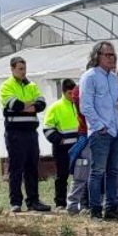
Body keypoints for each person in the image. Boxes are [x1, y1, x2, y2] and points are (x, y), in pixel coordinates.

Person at [78, 42, 118, 220]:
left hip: (116, 132)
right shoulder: (89, 77)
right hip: (101, 132)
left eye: (113, 55)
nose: (112, 58)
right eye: (108, 55)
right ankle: (95, 209)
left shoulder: (114, 78)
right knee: (97, 171)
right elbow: (86, 106)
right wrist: (99, 126)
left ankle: (112, 208)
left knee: (114, 171)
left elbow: (114, 106)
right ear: (97, 56)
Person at [0, 57, 51, 212]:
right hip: (15, 133)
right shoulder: (6, 86)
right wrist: (30, 104)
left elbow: (41, 104)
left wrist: (25, 106)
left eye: (24, 68)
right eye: (20, 69)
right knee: (16, 168)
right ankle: (15, 202)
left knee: (32, 167)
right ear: (12, 69)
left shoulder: (32, 85)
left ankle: (33, 201)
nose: (23, 72)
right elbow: (15, 105)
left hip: (31, 132)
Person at [43, 79, 84, 212]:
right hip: (62, 148)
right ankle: (60, 203)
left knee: (81, 175)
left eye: (74, 93)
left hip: (79, 146)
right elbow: (47, 127)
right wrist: (58, 140)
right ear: (63, 92)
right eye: (69, 93)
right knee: (62, 175)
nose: (72, 96)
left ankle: (81, 203)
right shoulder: (55, 107)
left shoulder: (80, 104)